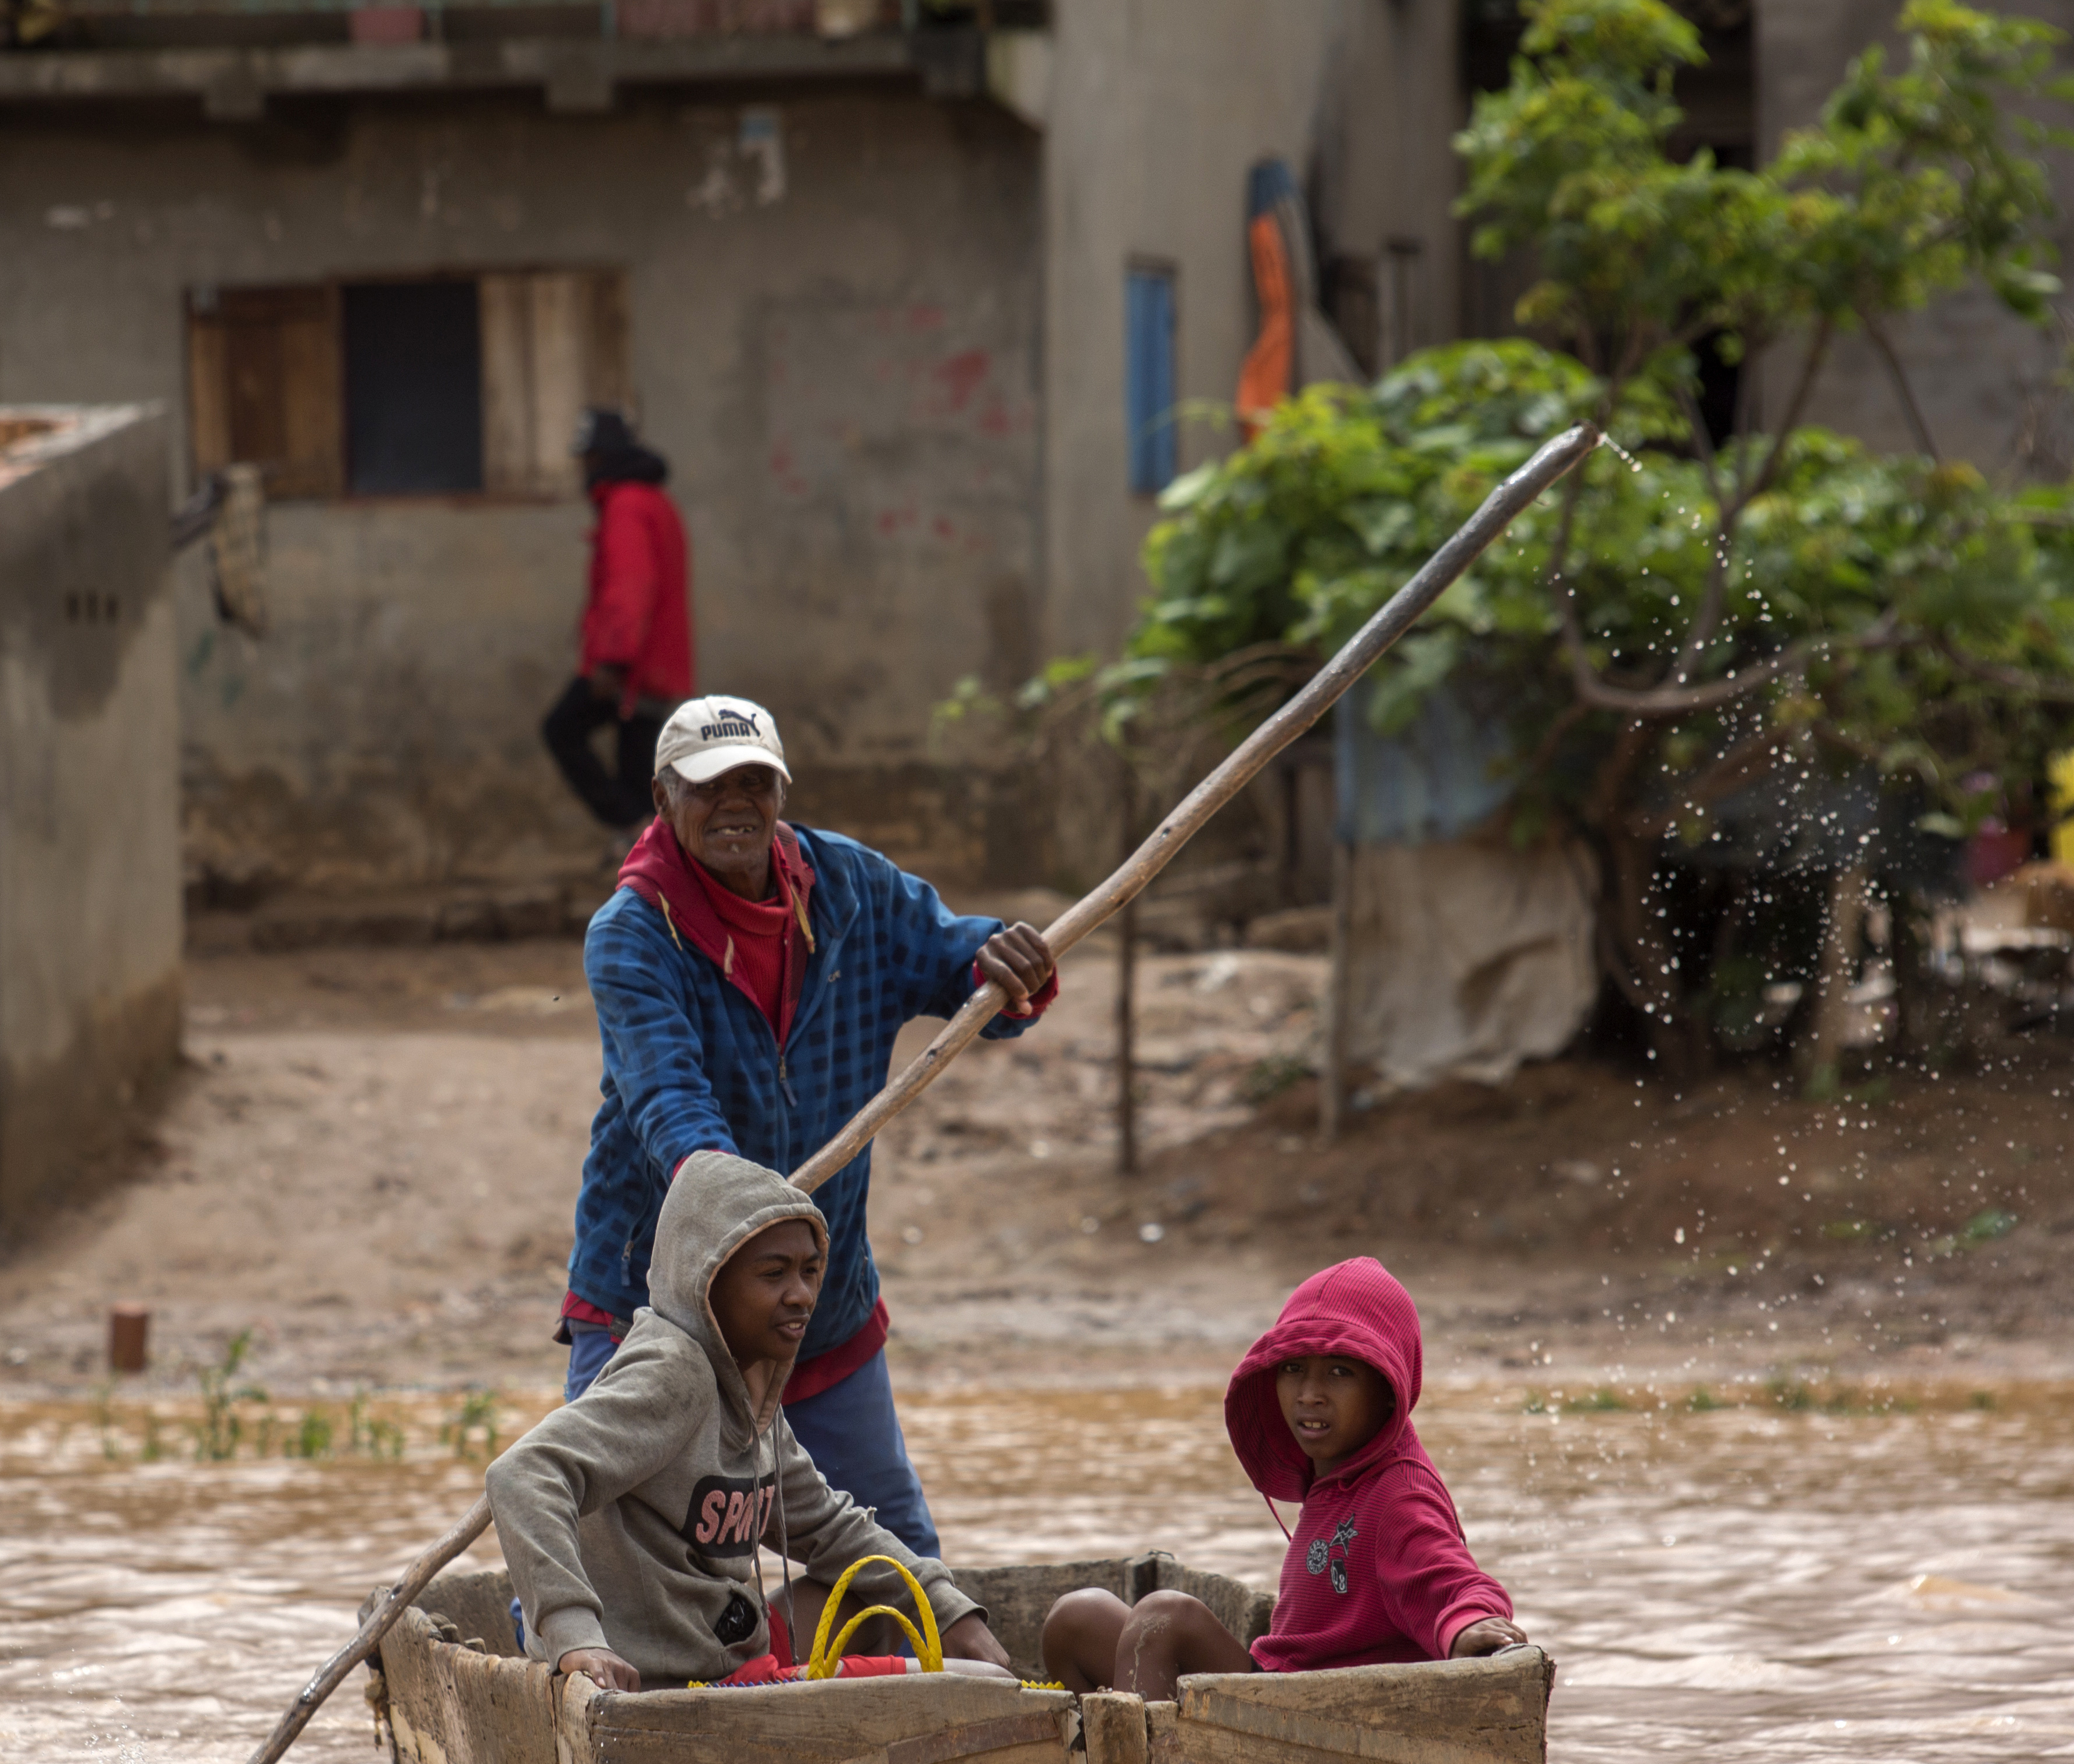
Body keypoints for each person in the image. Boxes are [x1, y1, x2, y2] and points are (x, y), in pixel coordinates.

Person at [563, 695, 1058, 1559]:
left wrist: (1008, 964)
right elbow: (671, 1108)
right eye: (708, 788)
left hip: (815, 1308)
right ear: (663, 798)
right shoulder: (634, 935)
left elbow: (962, 969)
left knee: (898, 1562)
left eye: (754, 784)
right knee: (600, 1553)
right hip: (655, 1312)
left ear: (781, 793)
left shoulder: (852, 892)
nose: (735, 805)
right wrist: (743, 1221)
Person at [488, 1151, 1017, 1690]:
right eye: (773, 1274)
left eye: (810, 1271)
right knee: (975, 1682)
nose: (802, 1296)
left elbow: (829, 1527)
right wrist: (575, 1633)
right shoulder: (674, 1372)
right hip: (669, 1684)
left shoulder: (752, 1386)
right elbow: (524, 1475)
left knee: (872, 1594)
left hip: (726, 1651)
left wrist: (945, 1607)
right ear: (707, 1283)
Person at [1041, 1257, 1538, 1697]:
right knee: (1076, 1617)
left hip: (1317, 1718)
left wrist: (1465, 1627)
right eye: (1294, 1368)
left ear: (1389, 1390)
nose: (1309, 1394)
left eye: (1340, 1372)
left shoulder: (1397, 1495)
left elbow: (1456, 1584)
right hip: (1273, 1688)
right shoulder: (1335, 1471)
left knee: (1163, 1618)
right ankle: (1115, 1750)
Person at [539, 408, 693, 830]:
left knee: (563, 731)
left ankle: (633, 832)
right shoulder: (651, 502)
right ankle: (642, 843)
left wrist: (613, 660)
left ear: (600, 457)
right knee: (637, 771)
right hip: (653, 663)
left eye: (586, 458)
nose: (582, 469)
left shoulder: (626, 506)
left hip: (633, 665)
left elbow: (631, 585)